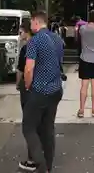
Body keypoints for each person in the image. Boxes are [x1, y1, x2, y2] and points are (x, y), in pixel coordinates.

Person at [22, 11, 64, 173]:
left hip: (40, 90)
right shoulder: (57, 39)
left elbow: (29, 68)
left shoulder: (35, 41)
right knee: (48, 128)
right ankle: (48, 166)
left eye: (31, 22)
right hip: (56, 89)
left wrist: (27, 86)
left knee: (29, 127)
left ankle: (40, 165)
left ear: (35, 22)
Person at [16, 21, 37, 172]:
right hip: (42, 87)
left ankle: (32, 159)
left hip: (28, 87)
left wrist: (20, 84)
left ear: (27, 32)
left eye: (21, 32)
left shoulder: (26, 48)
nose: (20, 35)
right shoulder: (42, 44)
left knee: (29, 124)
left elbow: (22, 70)